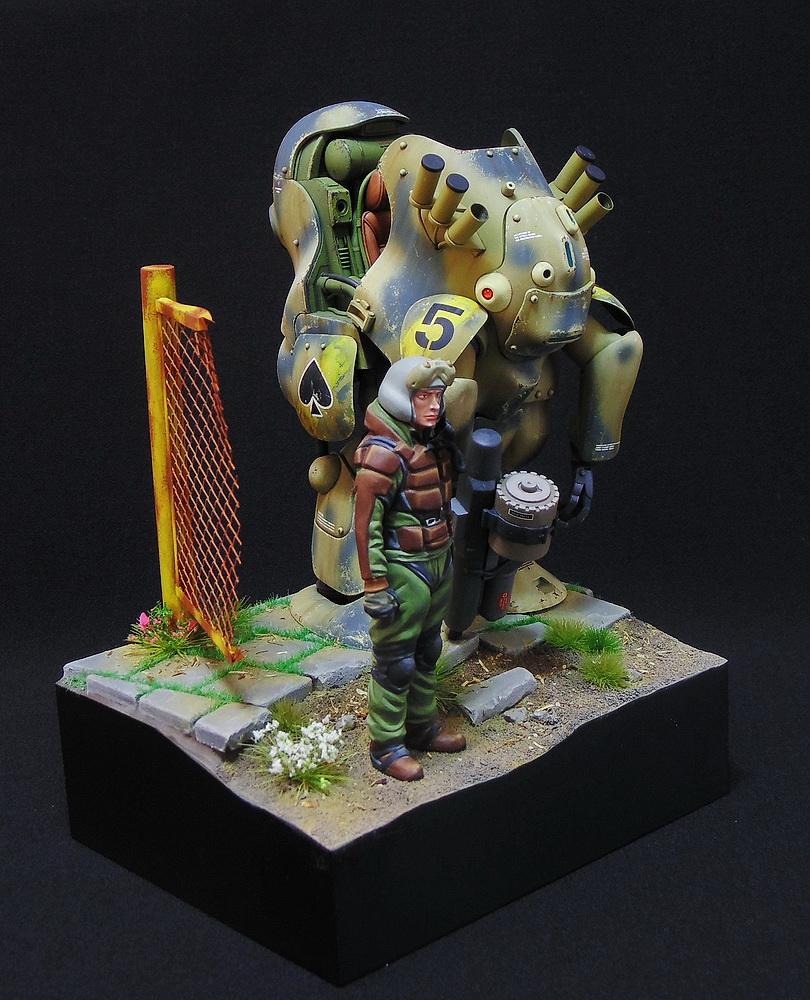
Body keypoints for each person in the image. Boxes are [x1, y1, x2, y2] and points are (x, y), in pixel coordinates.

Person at [354, 356, 467, 781]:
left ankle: (421, 726)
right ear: (403, 398)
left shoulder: (436, 442)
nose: (434, 405)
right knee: (395, 662)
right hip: (404, 568)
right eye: (423, 396)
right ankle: (386, 744)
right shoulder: (382, 455)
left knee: (427, 650)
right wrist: (374, 583)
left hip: (439, 560)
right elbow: (366, 525)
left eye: (438, 396)